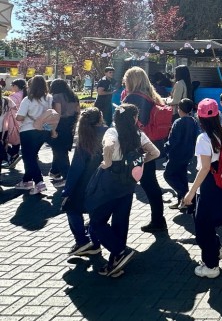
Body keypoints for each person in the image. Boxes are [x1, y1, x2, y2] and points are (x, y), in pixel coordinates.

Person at [89, 104, 160, 277]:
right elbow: (155, 152)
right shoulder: (139, 135)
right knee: (121, 222)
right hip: (128, 183)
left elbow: (108, 146)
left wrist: (107, 162)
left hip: (110, 181)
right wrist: (141, 162)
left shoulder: (112, 132)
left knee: (97, 221)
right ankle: (116, 260)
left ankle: (120, 251)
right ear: (134, 118)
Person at [182, 99, 222, 279]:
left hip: (209, 183)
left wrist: (191, 192)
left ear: (200, 118)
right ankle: (216, 250)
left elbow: (204, 168)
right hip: (221, 182)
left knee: (202, 226)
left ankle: (211, 266)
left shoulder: (203, 138)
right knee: (208, 223)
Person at [122, 67, 168, 233]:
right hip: (151, 144)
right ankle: (158, 219)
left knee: (144, 183)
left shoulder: (133, 97)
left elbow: (125, 123)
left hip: (137, 147)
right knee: (150, 182)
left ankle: (158, 220)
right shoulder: (151, 96)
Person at [61, 107, 106, 257]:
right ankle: (94, 242)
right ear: (100, 118)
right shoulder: (109, 132)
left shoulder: (85, 137)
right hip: (106, 181)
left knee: (71, 208)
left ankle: (82, 240)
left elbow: (76, 167)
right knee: (96, 214)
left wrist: (67, 190)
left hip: (86, 182)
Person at [15, 75, 53, 195]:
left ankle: (39, 182)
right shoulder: (49, 98)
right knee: (32, 156)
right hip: (43, 130)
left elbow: (20, 117)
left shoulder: (28, 99)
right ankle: (26, 181)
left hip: (28, 130)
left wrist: (17, 115)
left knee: (28, 157)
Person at [164, 98, 198, 210]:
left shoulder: (178, 122)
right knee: (182, 176)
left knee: (168, 175)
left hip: (176, 154)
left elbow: (173, 140)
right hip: (188, 154)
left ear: (180, 109)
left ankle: (184, 195)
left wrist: (165, 148)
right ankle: (183, 202)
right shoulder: (193, 121)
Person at [48, 79, 80, 187]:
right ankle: (55, 171)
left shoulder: (57, 96)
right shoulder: (73, 96)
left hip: (60, 124)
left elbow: (57, 113)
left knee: (59, 150)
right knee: (62, 148)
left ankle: (67, 176)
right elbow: (78, 112)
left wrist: (53, 129)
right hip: (71, 123)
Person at [6, 79, 26, 168]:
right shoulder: (26, 95)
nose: (11, 87)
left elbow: (9, 110)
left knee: (9, 139)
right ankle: (13, 157)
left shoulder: (13, 97)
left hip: (14, 120)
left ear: (16, 86)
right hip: (25, 120)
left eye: (12, 85)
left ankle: (13, 155)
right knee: (17, 139)